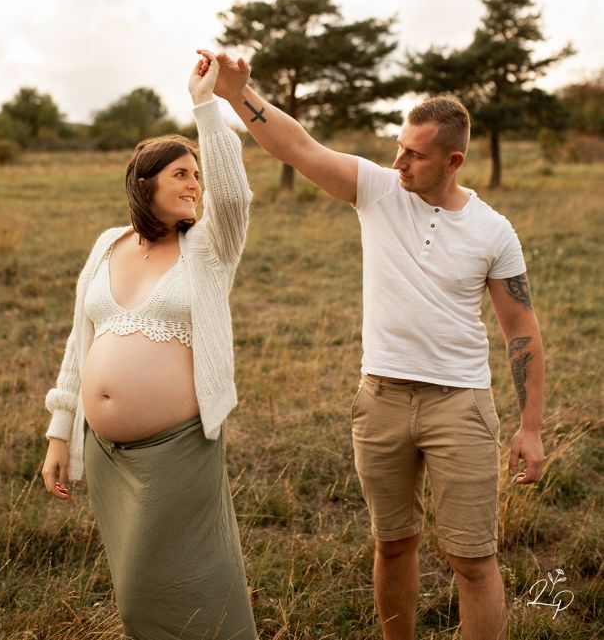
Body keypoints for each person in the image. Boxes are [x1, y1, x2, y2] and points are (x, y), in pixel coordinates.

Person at [207, 50, 545, 640]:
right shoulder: (379, 191)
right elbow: (299, 147)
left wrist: (532, 427)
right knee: (393, 545)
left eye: (414, 154)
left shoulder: (493, 231)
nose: (400, 161)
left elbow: (521, 329)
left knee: (473, 560)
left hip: (459, 405)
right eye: (399, 146)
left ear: (453, 160)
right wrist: (239, 95)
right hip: (381, 400)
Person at [41, 51, 258, 640]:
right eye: (180, 175)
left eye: (197, 174)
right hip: (108, 458)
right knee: (137, 602)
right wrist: (62, 433)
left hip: (178, 452)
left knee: (196, 589)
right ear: (144, 184)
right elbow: (78, 343)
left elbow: (234, 197)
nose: (195, 185)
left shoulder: (209, 249)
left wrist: (206, 106)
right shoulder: (108, 245)